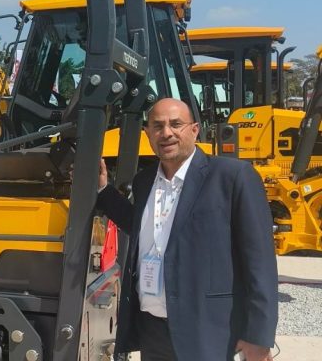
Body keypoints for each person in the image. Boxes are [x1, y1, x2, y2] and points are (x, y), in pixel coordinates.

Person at [96, 98, 277, 361]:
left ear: (194, 129)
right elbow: (140, 226)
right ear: (147, 133)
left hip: (207, 330)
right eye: (157, 126)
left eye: (176, 124)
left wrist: (258, 336)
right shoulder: (144, 181)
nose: (166, 133)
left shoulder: (232, 177)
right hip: (152, 330)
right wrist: (102, 189)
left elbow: (260, 262)